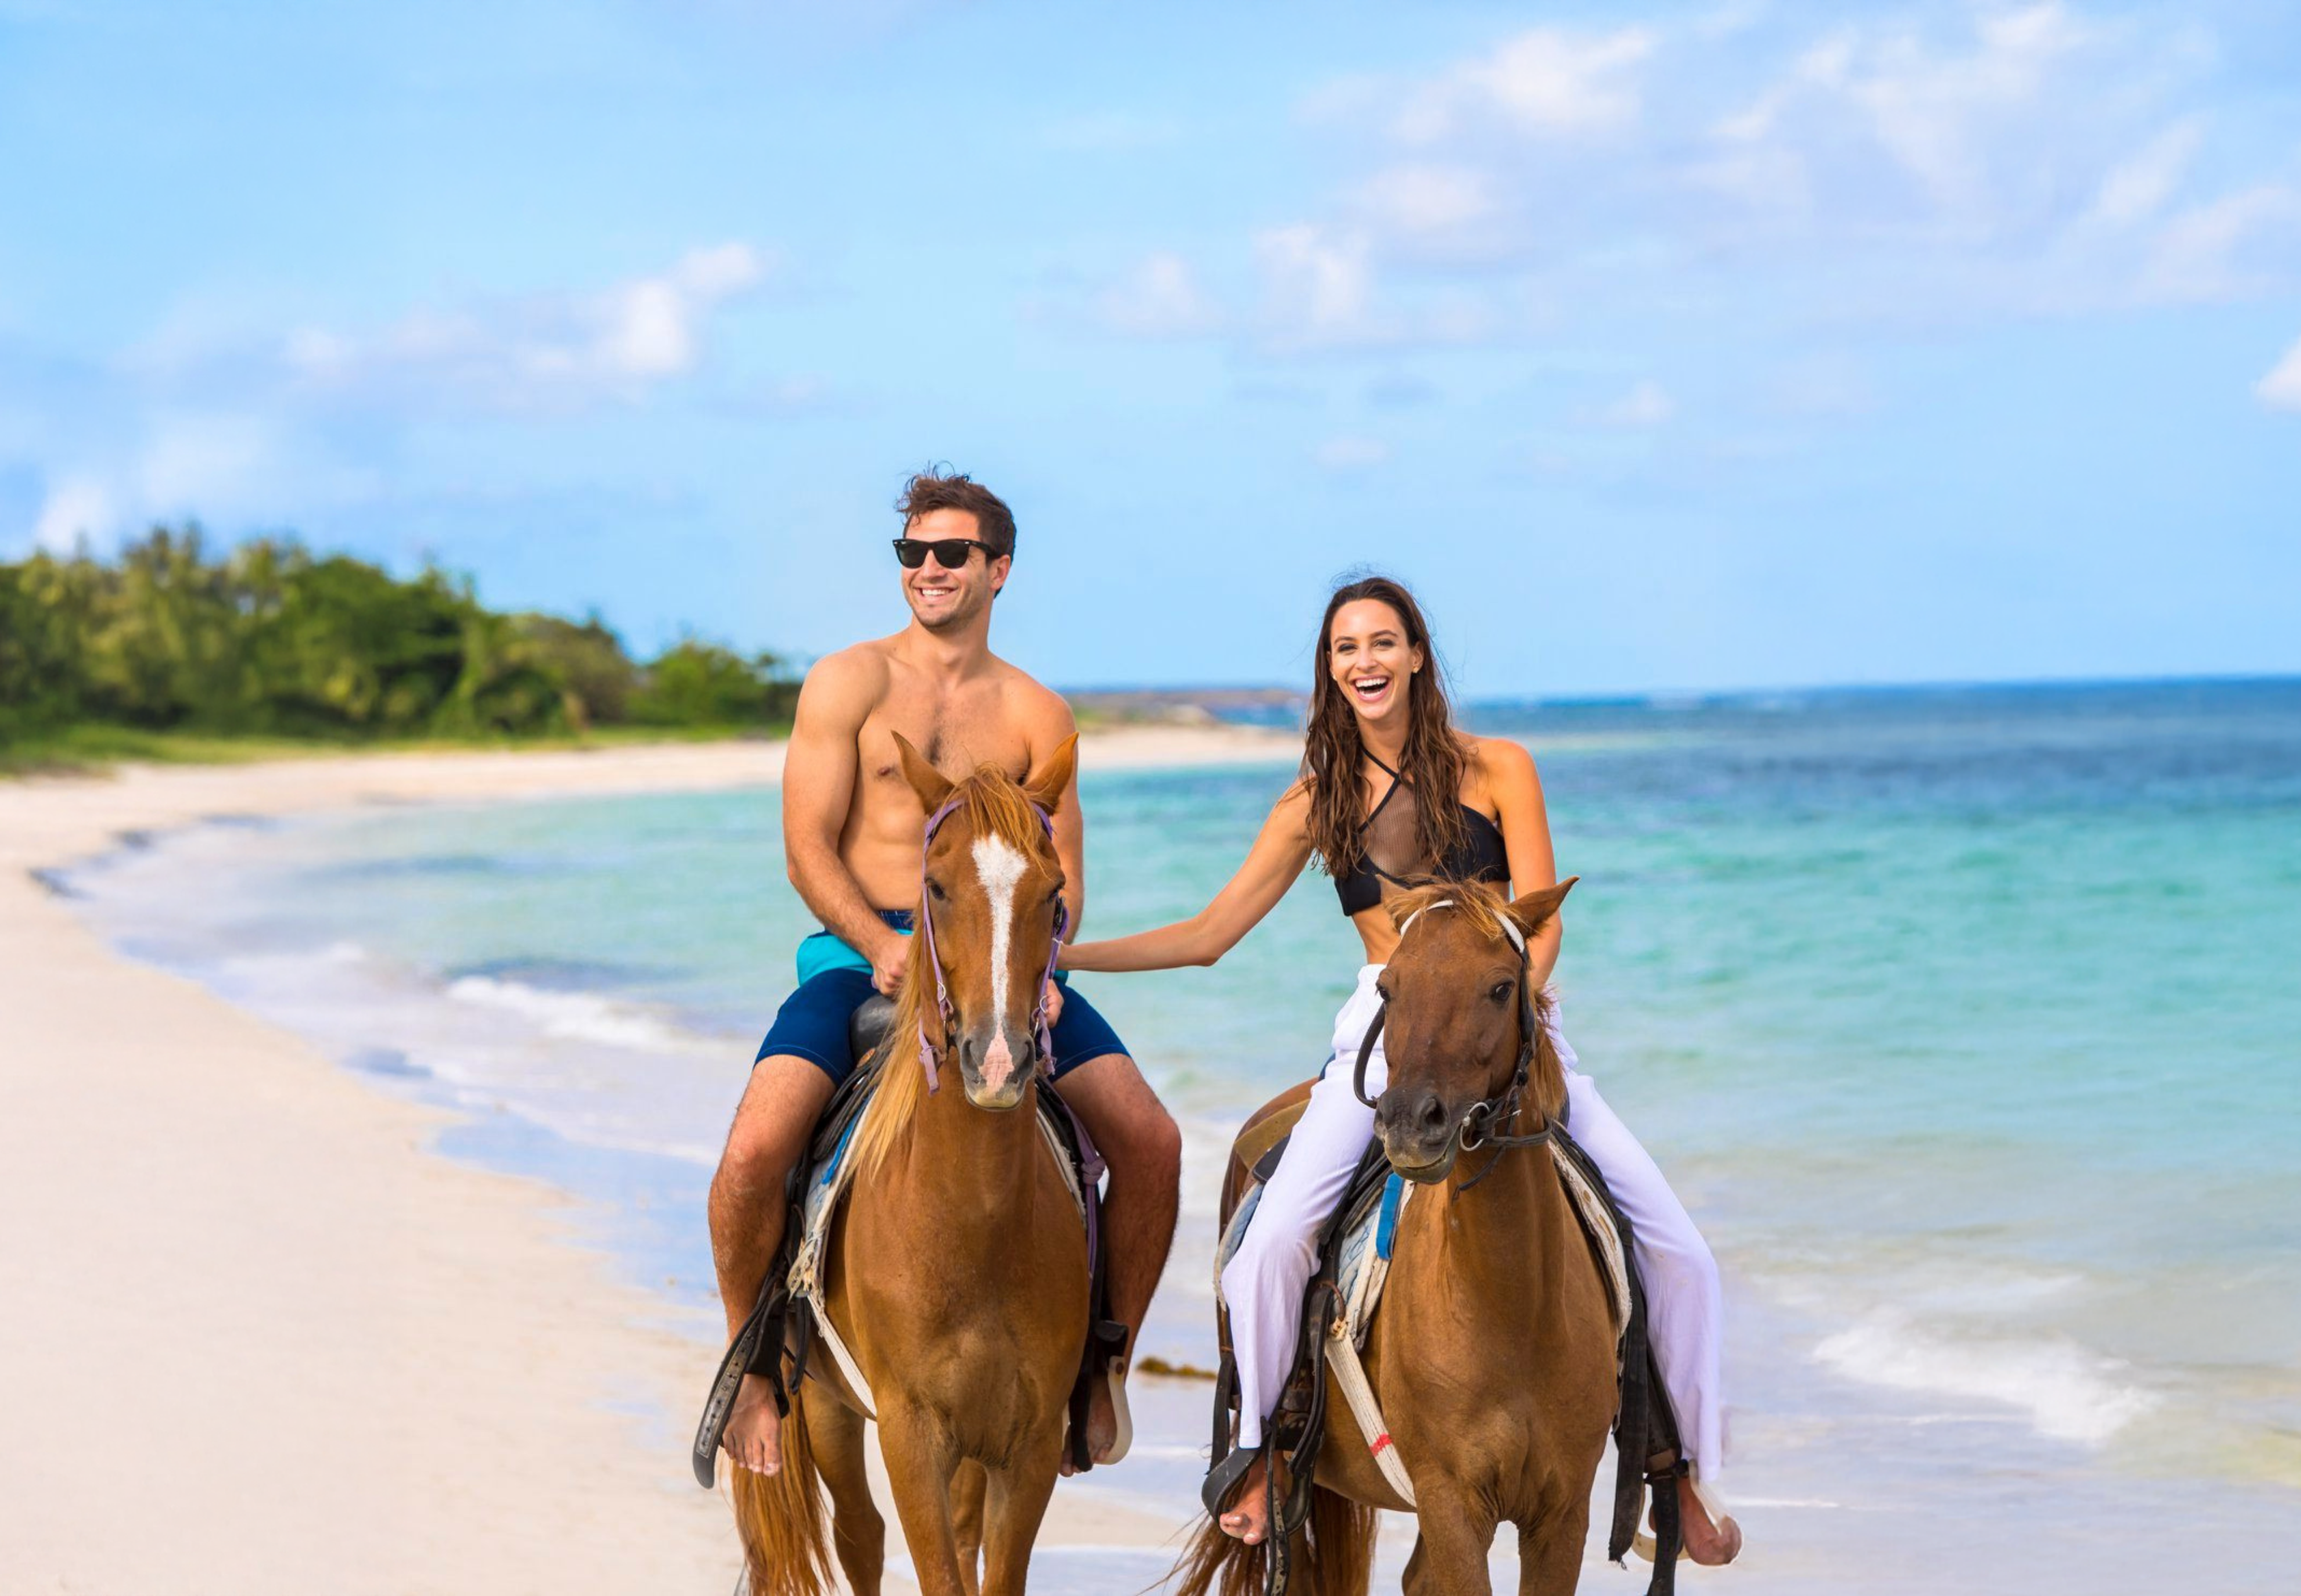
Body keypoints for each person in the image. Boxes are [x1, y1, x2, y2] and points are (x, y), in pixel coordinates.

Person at [1060, 575, 1741, 1563]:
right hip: (1382, 1035)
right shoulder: (1314, 801)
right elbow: (1211, 934)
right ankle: (1263, 1452)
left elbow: (1542, 926)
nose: (1366, 663)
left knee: (1679, 1249)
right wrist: (1062, 958)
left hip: (1510, 1027)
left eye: (1383, 642)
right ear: (1330, 669)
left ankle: (1676, 1469)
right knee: (1271, 1242)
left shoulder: (1501, 768)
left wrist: (1520, 1011)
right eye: (1346, 648)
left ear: (1418, 654)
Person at [706, 469, 1183, 1479]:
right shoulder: (848, 682)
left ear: (998, 569)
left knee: (1150, 1138)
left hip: (1000, 958)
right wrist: (882, 946)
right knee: (753, 1152)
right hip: (860, 955)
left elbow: (1064, 876)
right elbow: (806, 849)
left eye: (951, 553)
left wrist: (1045, 965)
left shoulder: (1035, 713)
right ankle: (752, 1367)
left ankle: (1100, 1370)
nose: (927, 569)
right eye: (912, 553)